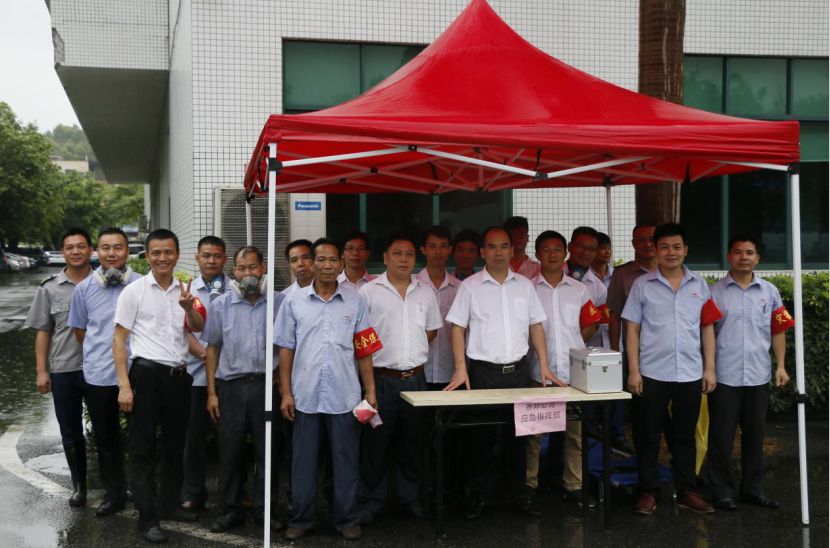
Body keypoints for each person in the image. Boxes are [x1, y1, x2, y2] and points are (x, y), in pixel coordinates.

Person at [445, 226, 562, 520]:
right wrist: (460, 368)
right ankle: (479, 496)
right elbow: (457, 328)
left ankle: (517, 496)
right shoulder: (469, 287)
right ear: (483, 252)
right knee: (481, 438)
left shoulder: (525, 286)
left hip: (518, 372)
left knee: (518, 437)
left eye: (504, 246)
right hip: (483, 373)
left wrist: (544, 365)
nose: (498, 252)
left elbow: (536, 325)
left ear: (512, 251)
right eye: (492, 247)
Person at [276, 237, 380, 541]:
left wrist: (370, 391)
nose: (327, 265)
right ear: (311, 262)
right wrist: (286, 392)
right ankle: (302, 519)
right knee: (303, 462)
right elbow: (285, 349)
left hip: (345, 396)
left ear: (341, 263)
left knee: (346, 460)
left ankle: (347, 518)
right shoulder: (293, 301)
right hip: (304, 396)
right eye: (320, 259)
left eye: (333, 260)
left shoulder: (355, 301)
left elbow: (364, 349)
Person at [113, 229, 207, 544]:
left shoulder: (186, 290)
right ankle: (147, 518)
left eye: (168, 252)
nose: (162, 258)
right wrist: (124, 384)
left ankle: (169, 504)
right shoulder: (134, 292)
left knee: (175, 445)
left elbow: (196, 328)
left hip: (178, 377)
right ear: (148, 255)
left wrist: (188, 307)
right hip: (146, 375)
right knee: (142, 449)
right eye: (156, 253)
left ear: (177, 255)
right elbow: (119, 339)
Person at [622, 223, 721, 516]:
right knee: (647, 435)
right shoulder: (642, 285)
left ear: (685, 250)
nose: (671, 252)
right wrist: (633, 371)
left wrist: (710, 369)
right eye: (664, 247)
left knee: (684, 436)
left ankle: (687, 491)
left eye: (677, 247)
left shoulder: (700, 285)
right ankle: (648, 492)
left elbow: (707, 328)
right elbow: (631, 330)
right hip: (651, 372)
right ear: (656, 250)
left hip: (689, 372)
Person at [358, 235, 442, 523]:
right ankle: (372, 500)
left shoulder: (425, 293)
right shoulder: (369, 292)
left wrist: (410, 348)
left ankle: (410, 499)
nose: (404, 259)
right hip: (381, 379)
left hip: (416, 379)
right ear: (385, 258)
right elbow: (361, 338)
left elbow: (431, 331)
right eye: (397, 253)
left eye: (409, 254)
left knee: (413, 443)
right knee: (376, 444)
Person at [707, 235, 793, 511]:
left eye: (749, 252)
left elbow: (778, 329)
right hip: (724, 375)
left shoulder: (770, 291)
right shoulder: (713, 293)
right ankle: (721, 491)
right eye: (738, 252)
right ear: (728, 257)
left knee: (755, 435)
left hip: (758, 374)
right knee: (721, 436)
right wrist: (708, 369)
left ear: (757, 258)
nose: (744, 257)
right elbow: (706, 334)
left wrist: (781, 365)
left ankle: (752, 489)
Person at [205, 246, 287, 532]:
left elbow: (288, 346)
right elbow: (212, 349)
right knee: (230, 452)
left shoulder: (279, 302)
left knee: (268, 451)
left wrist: (282, 378)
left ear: (263, 268)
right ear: (234, 272)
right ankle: (231, 509)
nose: (247, 273)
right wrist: (212, 393)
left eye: (252, 267)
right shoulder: (220, 305)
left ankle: (266, 510)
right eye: (241, 268)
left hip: (267, 387)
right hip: (231, 388)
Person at [68, 227, 141, 516]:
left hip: (137, 373)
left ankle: (141, 490)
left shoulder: (141, 284)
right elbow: (80, 332)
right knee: (106, 437)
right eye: (105, 248)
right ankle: (114, 493)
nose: (112, 254)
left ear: (128, 252)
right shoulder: (83, 289)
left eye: (118, 247)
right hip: (99, 375)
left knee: (140, 436)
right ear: (96, 252)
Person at [525, 231, 600, 507]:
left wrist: (575, 342)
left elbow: (591, 324)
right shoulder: (527, 288)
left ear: (565, 253)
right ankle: (529, 486)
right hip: (537, 372)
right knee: (532, 434)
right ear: (537, 255)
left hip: (572, 374)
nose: (553, 254)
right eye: (546, 250)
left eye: (557, 249)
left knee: (574, 435)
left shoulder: (579, 289)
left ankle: (574, 486)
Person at [26, 228, 93, 507]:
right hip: (64, 369)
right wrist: (42, 371)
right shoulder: (49, 288)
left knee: (105, 428)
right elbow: (43, 331)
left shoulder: (104, 283)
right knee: (70, 430)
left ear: (91, 250)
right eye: (69, 247)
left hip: (99, 369)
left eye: (81, 246)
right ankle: (79, 487)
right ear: (62, 252)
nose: (75, 251)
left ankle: (115, 486)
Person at [182, 235, 229, 513]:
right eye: (206, 255)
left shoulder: (236, 288)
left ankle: (232, 493)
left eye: (217, 255)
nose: (212, 260)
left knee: (231, 439)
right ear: (197, 258)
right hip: (196, 377)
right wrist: (207, 357)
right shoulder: (188, 291)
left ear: (225, 259)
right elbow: (183, 332)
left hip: (229, 377)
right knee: (194, 438)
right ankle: (194, 492)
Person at [607, 223, 658, 456]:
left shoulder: (672, 272)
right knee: (638, 404)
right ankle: (635, 447)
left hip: (665, 352)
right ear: (633, 243)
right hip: (633, 351)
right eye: (641, 240)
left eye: (652, 239)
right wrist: (615, 351)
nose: (647, 244)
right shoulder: (622, 275)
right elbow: (614, 315)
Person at [416, 226, 461, 387]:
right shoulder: (413, 287)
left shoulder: (460, 288)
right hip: (418, 370)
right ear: (423, 249)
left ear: (450, 249)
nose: (438, 251)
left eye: (443, 246)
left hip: (451, 370)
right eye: (433, 246)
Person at [564, 226, 609, 349]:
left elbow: (597, 325)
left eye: (591, 249)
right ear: (570, 247)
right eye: (581, 246)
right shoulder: (550, 276)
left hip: (578, 352)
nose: (585, 252)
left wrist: (571, 346)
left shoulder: (599, 288)